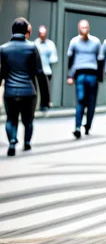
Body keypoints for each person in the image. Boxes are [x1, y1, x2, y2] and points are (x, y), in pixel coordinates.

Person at [0, 17, 49, 156]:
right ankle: (26, 143)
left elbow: (1, 72)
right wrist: (45, 100)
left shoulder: (3, 49)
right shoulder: (33, 47)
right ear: (26, 31)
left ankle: (12, 141)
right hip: (29, 91)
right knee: (28, 120)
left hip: (10, 91)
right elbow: (40, 73)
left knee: (11, 119)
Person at [67, 19, 102, 139]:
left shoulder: (96, 42)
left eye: (86, 27)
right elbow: (70, 60)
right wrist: (69, 76)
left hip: (92, 74)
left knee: (91, 102)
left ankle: (88, 125)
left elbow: (100, 60)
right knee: (81, 100)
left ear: (89, 28)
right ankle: (77, 127)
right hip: (80, 74)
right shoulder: (74, 42)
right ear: (78, 28)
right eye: (82, 27)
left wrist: (100, 76)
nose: (84, 29)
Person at [34, 24, 58, 111]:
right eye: (41, 33)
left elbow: (54, 58)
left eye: (44, 33)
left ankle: (45, 104)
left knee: (45, 88)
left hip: (47, 70)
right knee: (37, 88)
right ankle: (38, 105)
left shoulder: (50, 44)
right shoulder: (35, 44)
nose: (42, 35)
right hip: (37, 70)